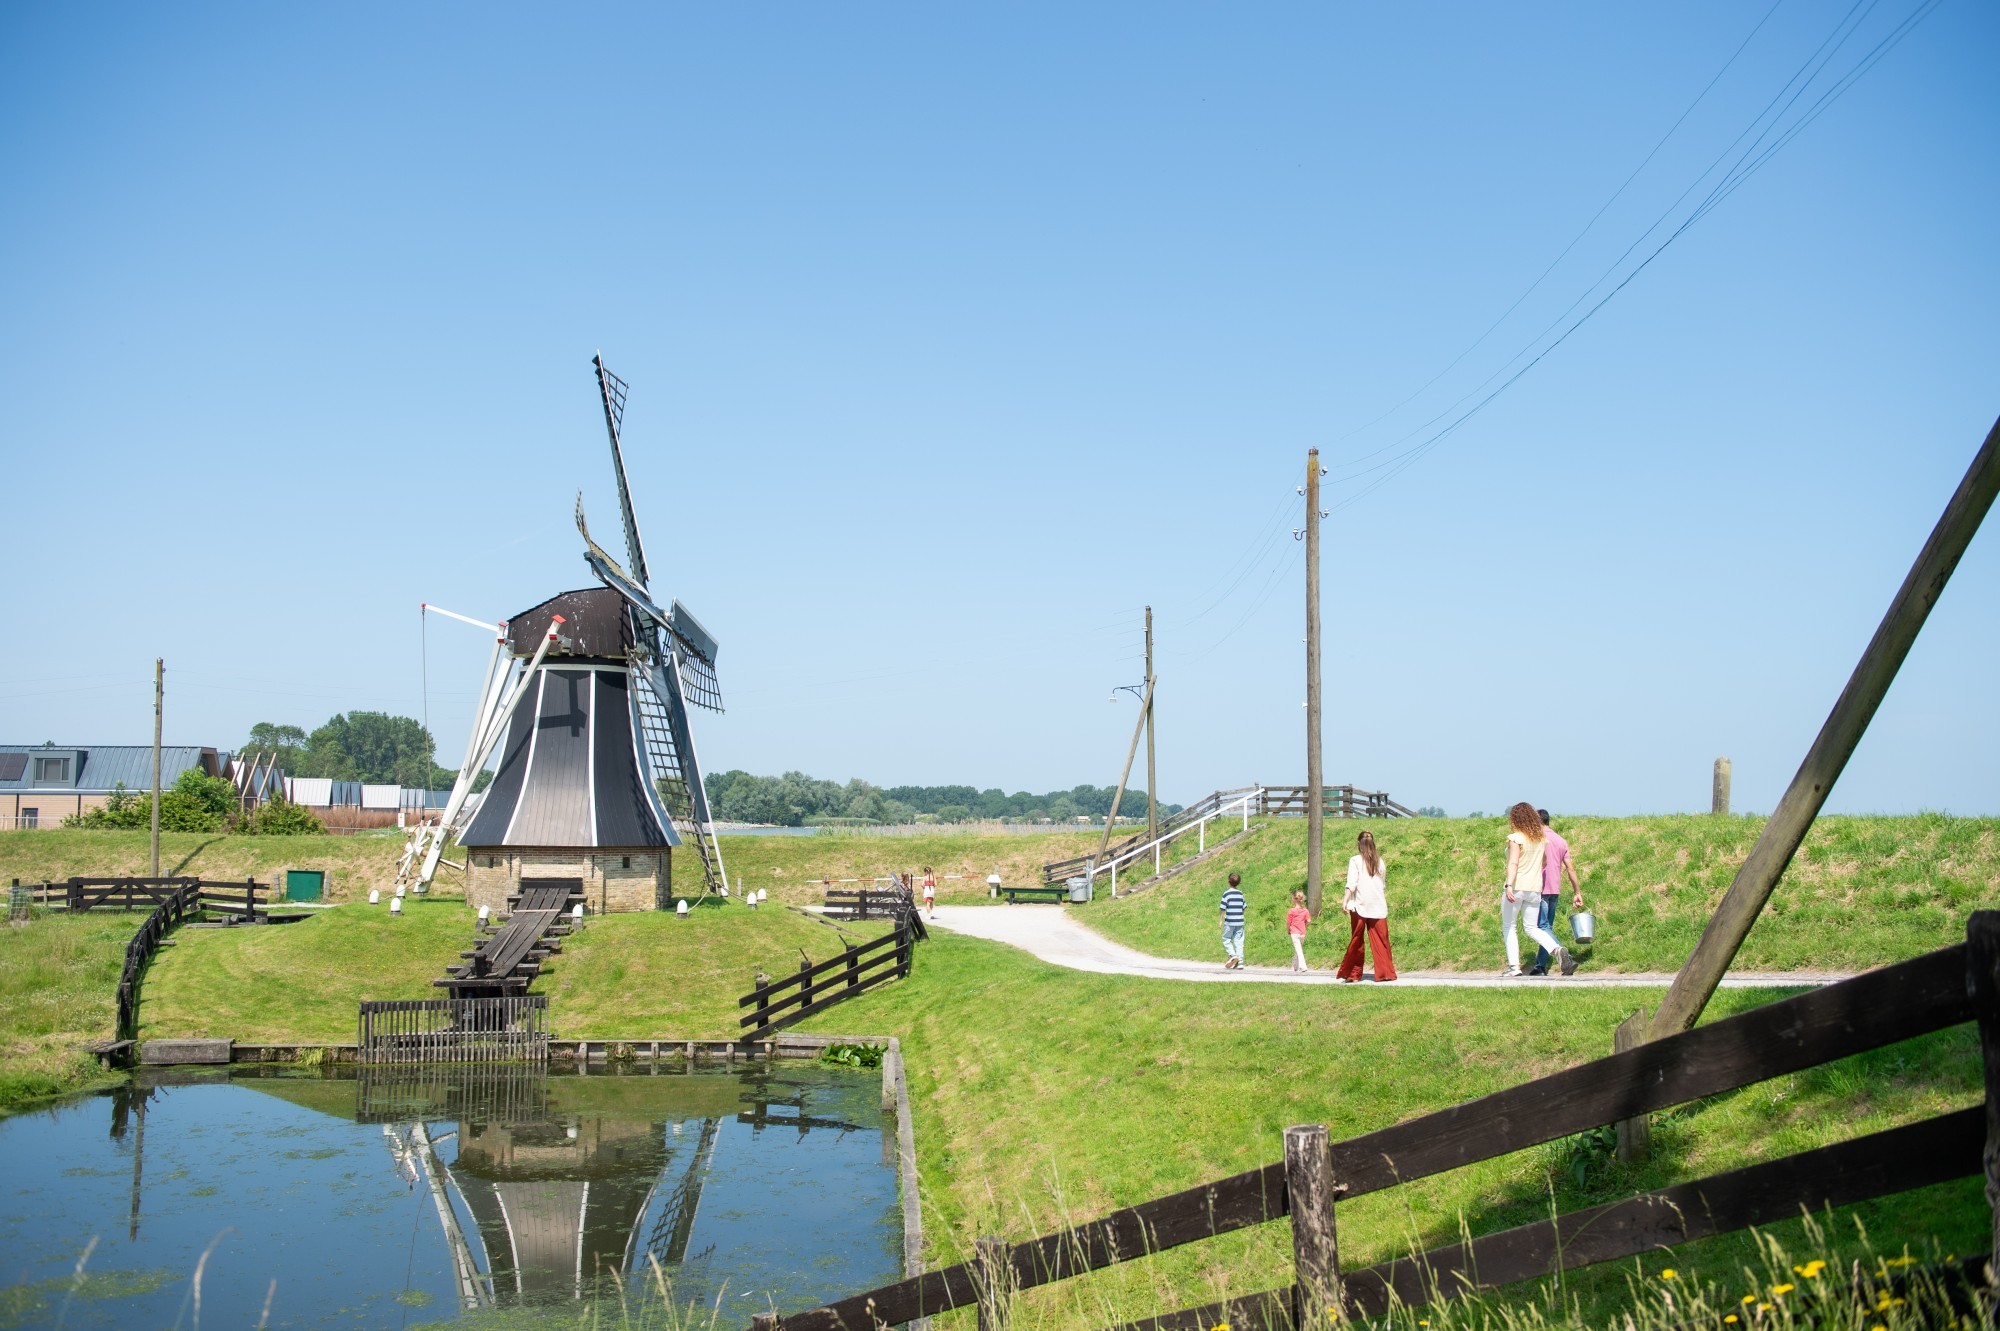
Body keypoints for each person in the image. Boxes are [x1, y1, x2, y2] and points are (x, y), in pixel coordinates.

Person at [1501, 802, 1567, 978]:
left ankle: (1514, 967)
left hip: (1517, 886)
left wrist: (1509, 885)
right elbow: (1544, 862)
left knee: (1509, 926)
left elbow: (1513, 863)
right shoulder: (1540, 839)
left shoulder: (1515, 838)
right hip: (1535, 888)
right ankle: (1556, 949)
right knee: (1531, 927)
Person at [1338, 829, 1397, 982]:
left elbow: (1352, 883)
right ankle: (1385, 973)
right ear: (1373, 843)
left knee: (1357, 940)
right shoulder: (1380, 862)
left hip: (1359, 905)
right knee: (1381, 940)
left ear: (1359, 844)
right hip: (1378, 905)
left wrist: (1345, 900)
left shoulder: (1355, 860)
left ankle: (1353, 974)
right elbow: (1382, 885)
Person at [1529, 810, 1582, 976]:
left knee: (1541, 927)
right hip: (1555, 890)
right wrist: (1577, 891)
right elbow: (1570, 869)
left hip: (1540, 888)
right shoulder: (1561, 841)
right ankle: (1540, 966)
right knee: (1546, 927)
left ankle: (1567, 958)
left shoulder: (1536, 839)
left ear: (1536, 822)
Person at [1219, 872, 1247, 969]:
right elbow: (1244, 907)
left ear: (1228, 882)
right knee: (1239, 941)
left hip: (1229, 921)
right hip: (1240, 921)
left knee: (1226, 939)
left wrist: (1220, 920)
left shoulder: (1226, 894)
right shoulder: (1240, 894)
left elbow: (1222, 908)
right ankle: (1240, 962)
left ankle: (1233, 956)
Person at [1285, 890, 1312, 972]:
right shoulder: (1305, 910)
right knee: (1298, 949)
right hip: (1302, 933)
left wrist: (1288, 930)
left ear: (1294, 899)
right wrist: (1305, 925)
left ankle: (1303, 966)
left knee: (1299, 950)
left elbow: (1288, 922)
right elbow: (1309, 921)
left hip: (1294, 932)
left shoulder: (1292, 911)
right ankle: (1294, 966)